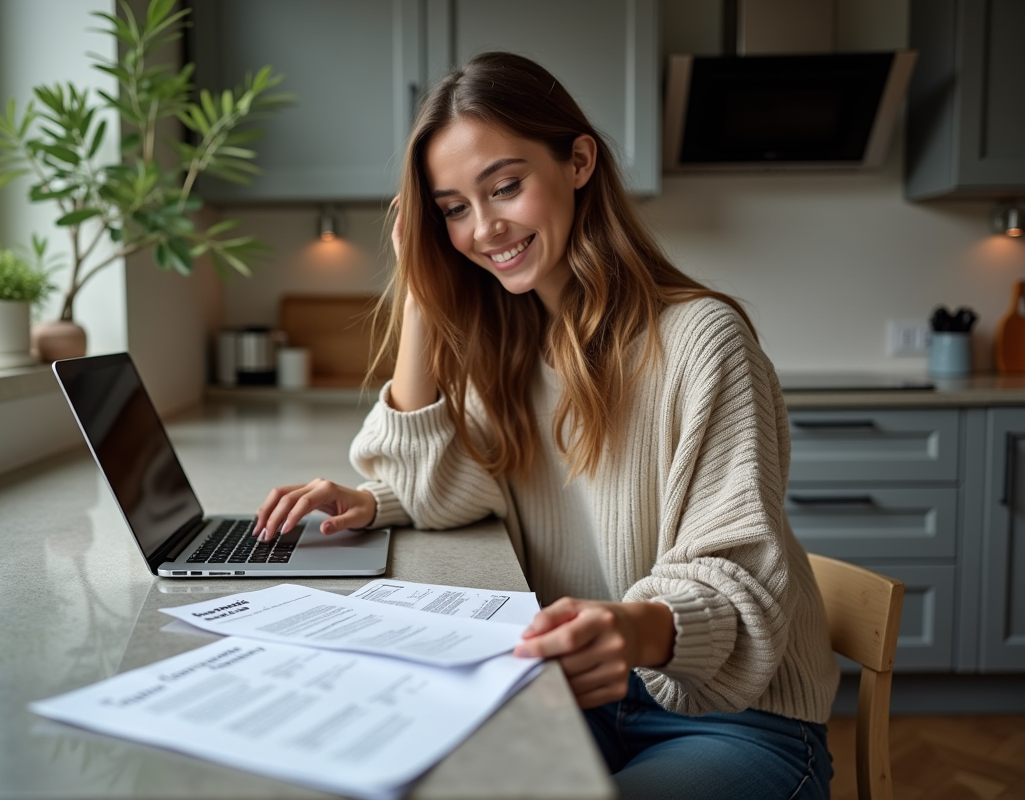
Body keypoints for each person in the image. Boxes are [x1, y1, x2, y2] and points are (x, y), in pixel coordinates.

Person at [255, 51, 840, 799]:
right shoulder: (513, 342)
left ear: (579, 162)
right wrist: (420, 298)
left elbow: (739, 585)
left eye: (505, 187)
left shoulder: (702, 340)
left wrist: (628, 629)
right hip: (575, 694)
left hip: (732, 717)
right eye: (452, 209)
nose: (483, 228)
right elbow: (443, 489)